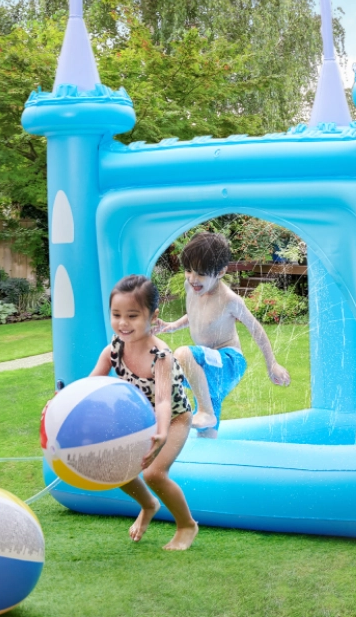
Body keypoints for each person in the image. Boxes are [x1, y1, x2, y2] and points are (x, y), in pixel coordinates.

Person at [88, 274, 198, 551]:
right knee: (115, 468)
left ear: (153, 316)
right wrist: (64, 401)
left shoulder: (161, 355)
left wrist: (161, 432)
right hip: (139, 421)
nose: (123, 323)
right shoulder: (114, 349)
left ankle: (187, 525)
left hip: (173, 418)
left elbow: (162, 400)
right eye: (116, 315)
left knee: (154, 474)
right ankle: (148, 504)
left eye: (133, 315)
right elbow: (91, 387)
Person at [154, 232, 291, 436]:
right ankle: (201, 420)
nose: (193, 278)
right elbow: (195, 315)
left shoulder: (229, 300)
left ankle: (206, 411)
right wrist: (172, 325)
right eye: (188, 270)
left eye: (201, 273)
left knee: (182, 354)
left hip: (228, 363)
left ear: (220, 272)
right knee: (160, 368)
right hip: (205, 368)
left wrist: (272, 364)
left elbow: (256, 329)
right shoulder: (192, 287)